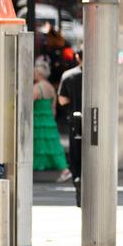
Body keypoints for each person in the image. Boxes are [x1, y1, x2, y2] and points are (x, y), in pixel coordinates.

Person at [32, 59, 69, 176]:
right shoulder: (50, 87)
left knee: (38, 144)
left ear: (39, 73)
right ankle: (63, 168)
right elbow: (54, 106)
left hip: (38, 120)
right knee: (53, 145)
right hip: (49, 121)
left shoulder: (37, 88)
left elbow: (28, 104)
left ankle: (36, 167)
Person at [57, 50, 84, 203]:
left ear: (77, 57)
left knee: (76, 156)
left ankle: (78, 179)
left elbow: (61, 100)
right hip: (95, 122)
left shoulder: (68, 76)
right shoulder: (99, 74)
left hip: (75, 121)